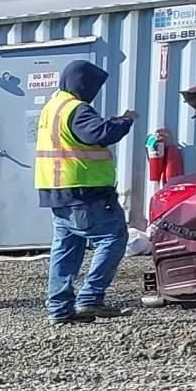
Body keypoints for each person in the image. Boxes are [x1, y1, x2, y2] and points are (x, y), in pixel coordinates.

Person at [35, 60, 135, 325]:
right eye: (92, 85)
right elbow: (99, 133)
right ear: (82, 83)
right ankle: (90, 298)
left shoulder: (52, 107)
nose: (94, 91)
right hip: (85, 191)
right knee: (113, 238)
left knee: (66, 248)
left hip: (57, 191)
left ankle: (59, 309)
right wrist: (125, 121)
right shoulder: (76, 109)